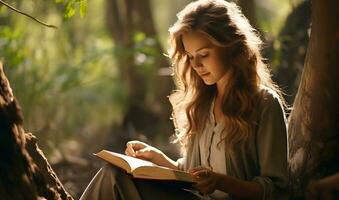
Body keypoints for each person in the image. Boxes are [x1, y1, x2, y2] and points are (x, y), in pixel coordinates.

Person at [80, 0, 288, 199]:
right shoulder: (202, 104)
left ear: (231, 47)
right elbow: (191, 174)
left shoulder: (264, 104)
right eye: (189, 56)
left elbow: (276, 190)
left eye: (204, 54)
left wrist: (220, 182)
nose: (196, 64)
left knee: (117, 181)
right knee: (114, 173)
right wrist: (157, 158)